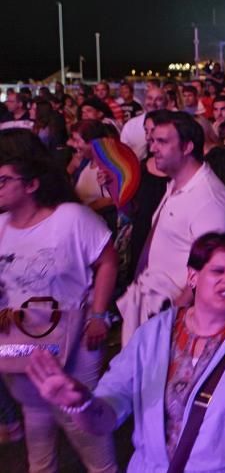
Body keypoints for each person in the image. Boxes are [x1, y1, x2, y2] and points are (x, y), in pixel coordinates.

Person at [27, 232, 225, 472]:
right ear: (192, 276)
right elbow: (107, 412)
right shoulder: (154, 333)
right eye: (218, 271)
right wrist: (80, 403)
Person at [0, 140, 119, 473]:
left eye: (3, 180)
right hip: (22, 342)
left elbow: (108, 261)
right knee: (36, 421)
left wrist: (98, 315)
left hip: (77, 337)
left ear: (32, 184)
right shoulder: (1, 227)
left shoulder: (71, 218)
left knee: (80, 423)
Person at [118, 111, 225, 344]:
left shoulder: (208, 199)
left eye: (162, 141)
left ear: (187, 147)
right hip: (157, 311)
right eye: (151, 141)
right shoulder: (175, 183)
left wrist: (176, 317)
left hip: (176, 320)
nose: (152, 149)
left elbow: (212, 271)